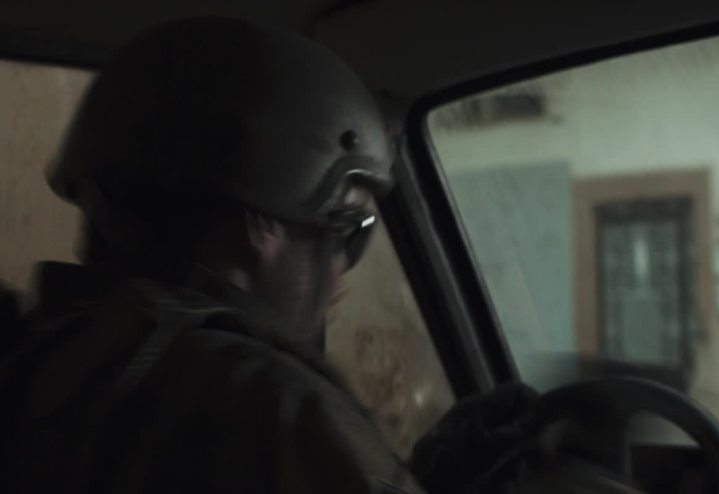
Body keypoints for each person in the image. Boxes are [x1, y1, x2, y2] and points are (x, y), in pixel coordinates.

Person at [0, 17, 539, 494]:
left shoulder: (40, 362)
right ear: (258, 227)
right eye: (351, 230)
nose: (343, 280)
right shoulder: (273, 410)